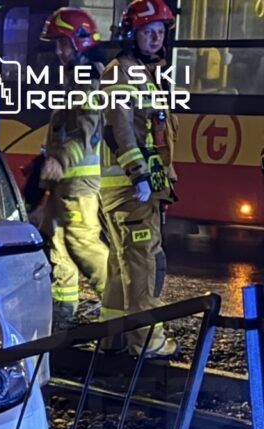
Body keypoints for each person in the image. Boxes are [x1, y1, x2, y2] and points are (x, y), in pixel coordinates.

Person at [99, 0, 180, 358]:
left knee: (122, 266)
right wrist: (140, 175)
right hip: (134, 189)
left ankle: (113, 337)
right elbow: (120, 131)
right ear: (133, 34)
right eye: (148, 31)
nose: (155, 38)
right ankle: (148, 342)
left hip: (137, 188)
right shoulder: (123, 72)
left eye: (160, 32)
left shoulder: (144, 73)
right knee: (144, 264)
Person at [36, 7, 109, 332]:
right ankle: (62, 313)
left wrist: (59, 160)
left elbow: (86, 131)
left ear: (80, 42)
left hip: (79, 185)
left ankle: (121, 308)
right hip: (66, 183)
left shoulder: (88, 79)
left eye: (63, 44)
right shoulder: (74, 77)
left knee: (83, 245)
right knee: (57, 244)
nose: (58, 51)